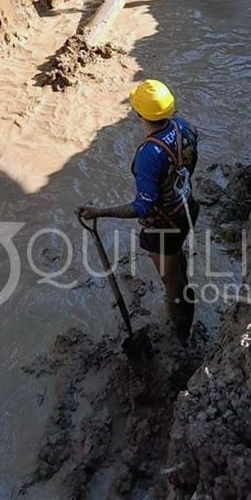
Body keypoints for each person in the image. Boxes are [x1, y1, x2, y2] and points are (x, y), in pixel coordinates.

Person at [76, 79, 200, 341]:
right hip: (186, 208)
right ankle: (186, 305)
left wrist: (99, 212)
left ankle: (180, 335)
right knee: (178, 263)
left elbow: (144, 207)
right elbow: (189, 163)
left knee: (172, 285)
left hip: (164, 225)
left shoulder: (148, 153)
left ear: (139, 113)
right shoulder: (184, 127)